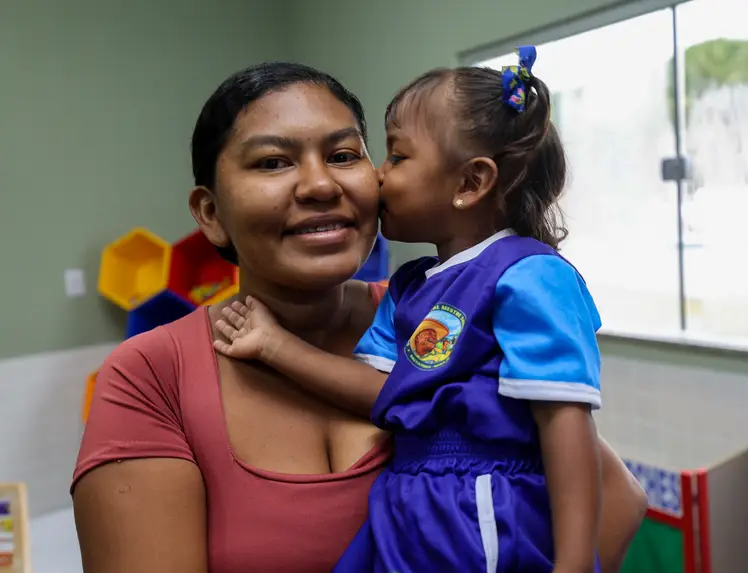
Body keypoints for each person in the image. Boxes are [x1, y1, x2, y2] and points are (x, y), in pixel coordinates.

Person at [71, 61, 646, 573]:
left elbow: (616, 499)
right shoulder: (150, 376)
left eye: (345, 155)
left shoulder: (452, 313)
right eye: (273, 162)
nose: (321, 184)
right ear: (211, 214)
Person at [213, 47, 604, 573]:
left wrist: (575, 562)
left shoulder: (528, 275)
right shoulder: (409, 286)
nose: (377, 176)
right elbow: (383, 393)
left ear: (469, 184)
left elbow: (565, 423)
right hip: (406, 501)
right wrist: (277, 346)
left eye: (396, 156)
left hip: (485, 504)